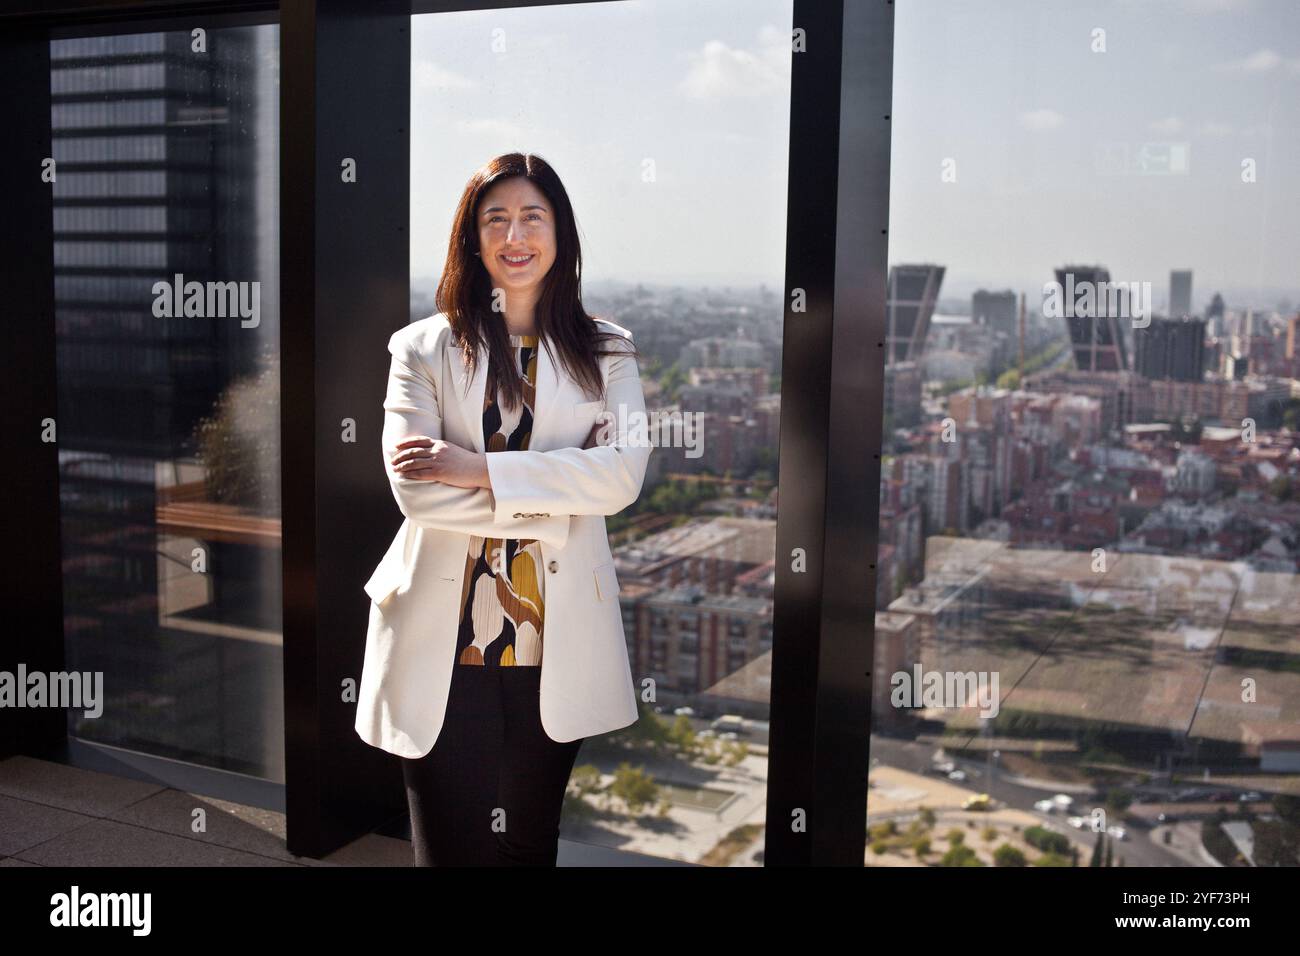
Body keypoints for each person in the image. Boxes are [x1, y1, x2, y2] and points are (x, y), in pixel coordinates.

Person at [354, 152, 652, 866]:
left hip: (555, 637)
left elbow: (621, 480)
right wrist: (554, 495)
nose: (515, 235)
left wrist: (478, 469)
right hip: (442, 633)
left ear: (560, 233)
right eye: (496, 219)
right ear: (472, 236)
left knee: (526, 845)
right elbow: (417, 492)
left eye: (532, 216)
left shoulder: (607, 351)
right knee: (448, 849)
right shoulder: (420, 349)